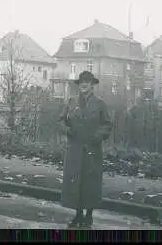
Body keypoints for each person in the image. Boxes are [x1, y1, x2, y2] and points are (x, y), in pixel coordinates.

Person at [59, 71, 112, 228]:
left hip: (92, 150)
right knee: (75, 182)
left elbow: (107, 124)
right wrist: (67, 130)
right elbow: (60, 120)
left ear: (92, 85)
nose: (83, 84)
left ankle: (88, 216)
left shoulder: (100, 104)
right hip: (75, 149)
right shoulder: (71, 102)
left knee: (90, 183)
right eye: (81, 82)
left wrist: (98, 135)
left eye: (87, 82)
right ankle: (77, 215)